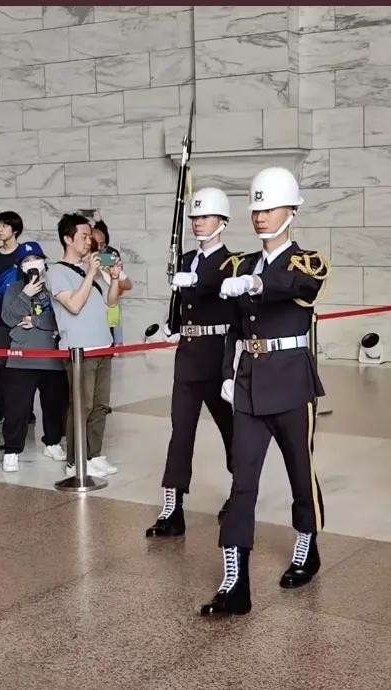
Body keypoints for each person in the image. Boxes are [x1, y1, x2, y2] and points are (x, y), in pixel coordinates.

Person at [200, 167, 330, 617]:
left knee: (300, 472)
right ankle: (235, 583)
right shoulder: (240, 265)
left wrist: (258, 284)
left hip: (291, 381)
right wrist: (227, 373)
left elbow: (302, 287)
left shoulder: (306, 262)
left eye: (269, 208)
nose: (260, 216)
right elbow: (234, 330)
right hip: (250, 384)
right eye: (256, 209)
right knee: (243, 482)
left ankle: (307, 546)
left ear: (291, 211)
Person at [145, 187, 238, 538]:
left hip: (217, 356)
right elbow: (180, 301)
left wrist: (196, 279)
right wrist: (172, 324)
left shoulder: (232, 263)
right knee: (180, 432)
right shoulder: (185, 259)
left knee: (232, 431)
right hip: (187, 355)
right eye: (195, 217)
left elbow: (219, 283)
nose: (198, 223)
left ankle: (240, 495)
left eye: (205, 217)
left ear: (222, 221)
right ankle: (173, 508)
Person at [45, 214, 123, 478]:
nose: (90, 241)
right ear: (68, 239)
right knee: (82, 405)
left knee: (100, 405)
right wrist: (90, 272)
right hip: (80, 350)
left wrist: (113, 278)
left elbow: (111, 303)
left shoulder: (91, 270)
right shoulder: (56, 272)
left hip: (103, 345)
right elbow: (74, 305)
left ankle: (94, 454)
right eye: (84, 236)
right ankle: (75, 460)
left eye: (90, 236)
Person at [0, 242, 69, 473]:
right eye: (26, 261)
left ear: (43, 261)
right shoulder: (14, 288)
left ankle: (53, 442)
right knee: (16, 407)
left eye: (36, 259)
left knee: (54, 404)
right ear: (20, 266)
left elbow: (62, 317)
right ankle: (12, 450)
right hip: (21, 357)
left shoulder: (54, 285)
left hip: (52, 355)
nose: (32, 264)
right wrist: (25, 295)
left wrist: (36, 321)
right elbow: (9, 318)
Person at [0, 211, 23, 424]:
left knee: (21, 366)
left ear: (15, 229)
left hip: (22, 319)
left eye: (4, 226)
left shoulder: (25, 254)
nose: (0, 229)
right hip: (0, 319)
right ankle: (0, 408)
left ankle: (25, 409)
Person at [90, 220, 133, 345]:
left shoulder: (109, 257)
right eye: (95, 244)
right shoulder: (82, 262)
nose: (99, 248)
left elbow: (127, 283)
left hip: (110, 311)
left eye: (102, 245)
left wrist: (114, 279)